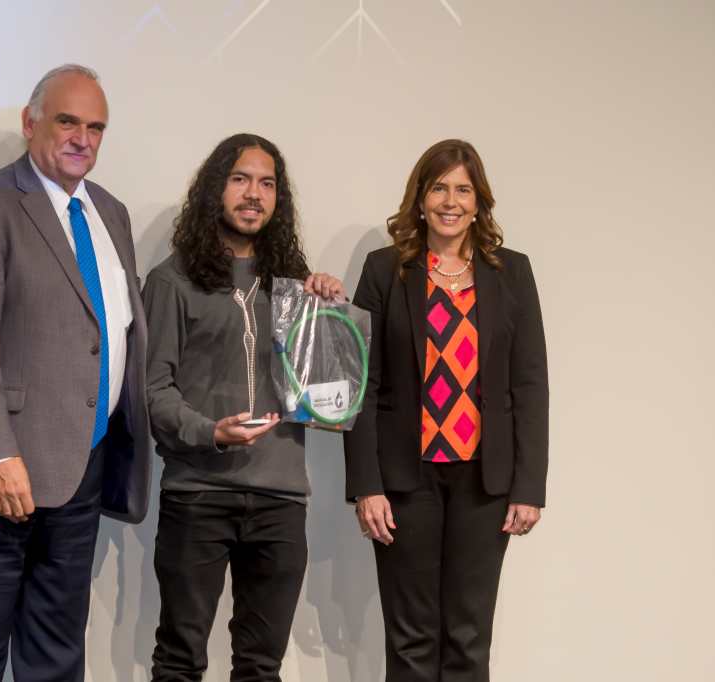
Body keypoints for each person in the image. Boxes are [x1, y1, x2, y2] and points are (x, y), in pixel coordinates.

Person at [0, 64, 150, 682]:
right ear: (30, 124)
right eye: (67, 121)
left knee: (56, 652)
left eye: (96, 127)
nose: (83, 137)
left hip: (83, 469)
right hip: (1, 478)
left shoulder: (111, 213)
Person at [344, 138, 549, 681]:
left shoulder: (513, 273)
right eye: (439, 188)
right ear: (420, 197)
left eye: (463, 189)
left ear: (479, 202)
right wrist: (367, 484)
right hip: (405, 482)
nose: (450, 201)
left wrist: (529, 487)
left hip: (486, 482)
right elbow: (363, 380)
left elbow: (530, 384)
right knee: (411, 640)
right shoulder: (385, 270)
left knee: (468, 637)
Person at [143, 133, 346, 682]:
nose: (253, 194)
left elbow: (327, 395)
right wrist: (212, 432)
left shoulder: (293, 288)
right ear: (215, 189)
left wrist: (328, 310)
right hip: (198, 496)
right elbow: (153, 390)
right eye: (239, 179)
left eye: (266, 183)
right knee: (180, 661)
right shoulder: (171, 280)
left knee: (260, 668)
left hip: (281, 500)